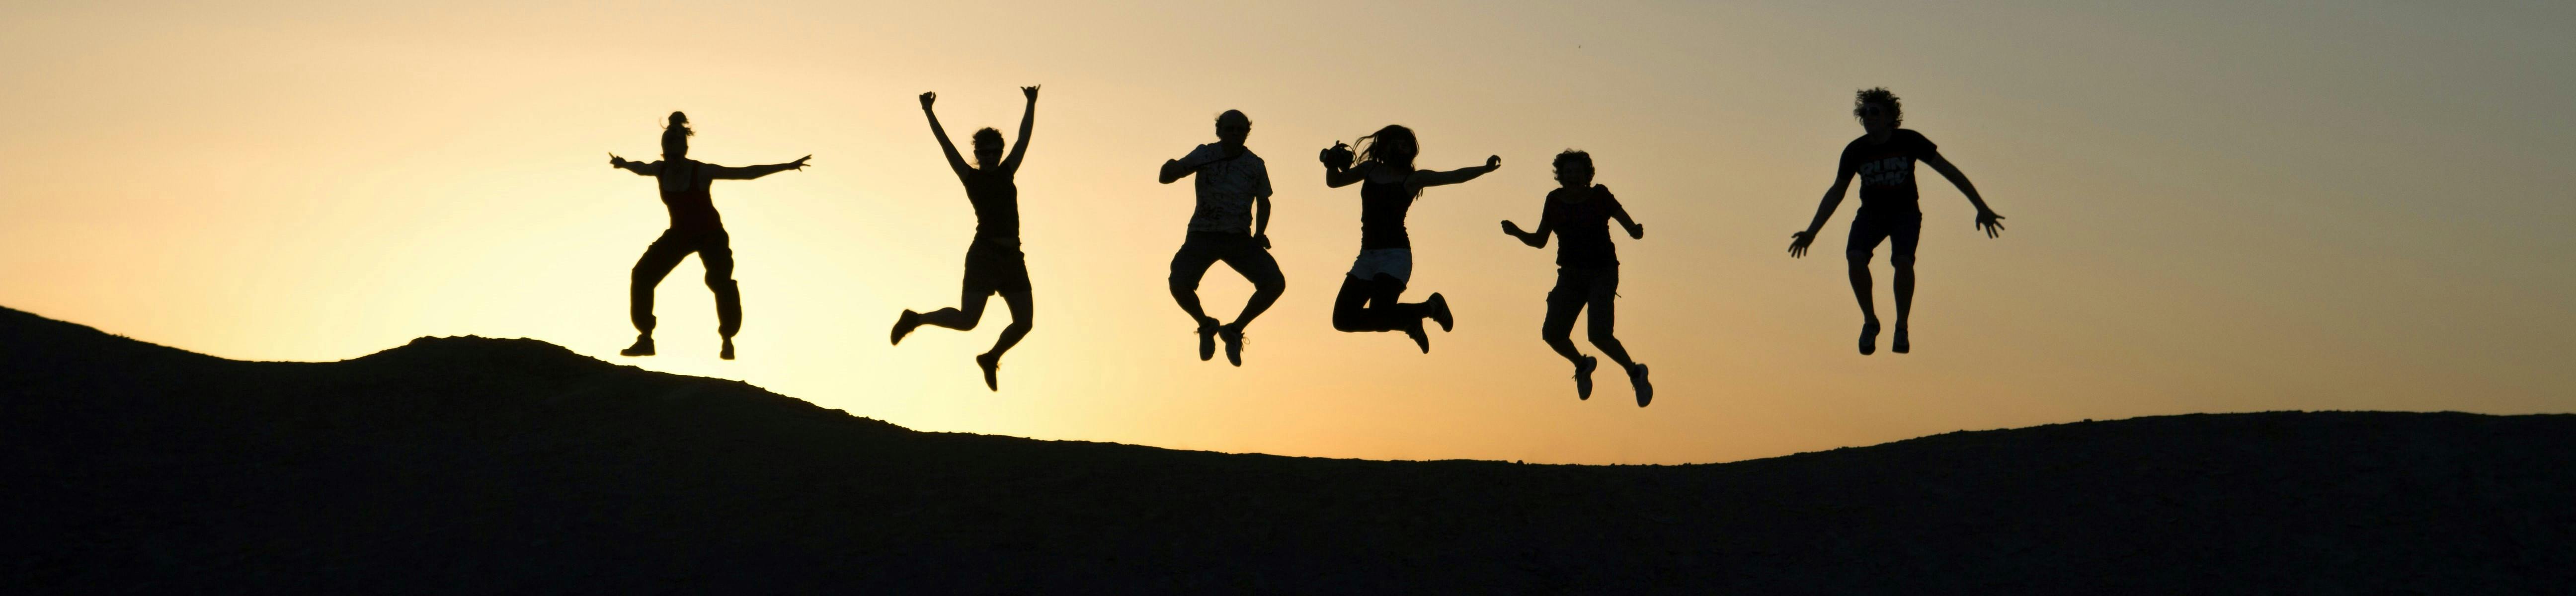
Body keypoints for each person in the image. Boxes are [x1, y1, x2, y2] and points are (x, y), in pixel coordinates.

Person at [1787, 87, 2006, 355]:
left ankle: (1901, 326)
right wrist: (1812, 232)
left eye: (1875, 112)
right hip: (1871, 215)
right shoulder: (1855, 151)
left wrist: (1981, 206)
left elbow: (1949, 171)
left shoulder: (1910, 141)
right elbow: (1837, 192)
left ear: (1890, 117)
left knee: (1902, 262)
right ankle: (1870, 321)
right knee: (1855, 257)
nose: (1869, 117)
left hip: (1905, 213)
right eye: (1864, 113)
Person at [606, 111, 810, 360]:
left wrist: (786, 166)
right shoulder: (659, 170)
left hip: (711, 235)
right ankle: (646, 338)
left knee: (719, 282)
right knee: (642, 275)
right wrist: (623, 163)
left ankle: (727, 339)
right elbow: (639, 168)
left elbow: (746, 173)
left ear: (684, 146)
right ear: (663, 148)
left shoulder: (700, 171)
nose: (671, 146)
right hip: (680, 234)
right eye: (667, 142)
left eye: (676, 141)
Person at [890, 86, 1041, 390]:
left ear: (1000, 152)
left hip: (1012, 258)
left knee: (1024, 323)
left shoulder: (1007, 171)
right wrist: (929, 112)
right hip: (984, 255)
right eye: (982, 152)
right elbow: (945, 146)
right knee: (968, 320)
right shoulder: (970, 177)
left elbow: (1024, 140)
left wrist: (1031, 104)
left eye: (993, 152)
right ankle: (916, 319)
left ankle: (990, 358)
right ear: (976, 154)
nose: (987, 157)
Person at [1317, 125, 1498, 353]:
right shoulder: (1370, 169)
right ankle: (1417, 316)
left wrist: (1485, 168)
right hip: (1367, 257)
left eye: (1407, 144)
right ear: (1386, 145)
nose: (1403, 147)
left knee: (1380, 316)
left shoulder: (1413, 179)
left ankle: (1428, 310)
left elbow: (1453, 177)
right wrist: (1330, 164)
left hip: (1395, 256)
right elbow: (1334, 182)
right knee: (1343, 320)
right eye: (1398, 142)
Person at [1501, 150, 1652, 406]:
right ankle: (1582, 365)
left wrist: (1635, 231)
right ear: (1561, 176)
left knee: (1599, 334)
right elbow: (1540, 241)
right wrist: (1516, 232)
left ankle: (1635, 373)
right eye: (1567, 172)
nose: (1572, 176)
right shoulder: (1555, 200)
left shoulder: (1600, 196)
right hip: (1570, 275)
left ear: (1586, 175)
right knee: (1552, 334)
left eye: (1577, 172)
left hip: (1602, 272)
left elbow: (1626, 222)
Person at [1157, 110, 1284, 366]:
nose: (1235, 134)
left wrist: (1260, 234)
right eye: (1230, 129)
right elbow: (1168, 176)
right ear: (1219, 131)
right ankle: (1206, 326)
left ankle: (1233, 331)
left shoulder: (1255, 164)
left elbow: (1264, 201)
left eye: (1241, 130)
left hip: (1238, 238)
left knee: (1274, 284)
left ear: (1247, 133)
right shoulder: (1205, 154)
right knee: (1179, 284)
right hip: (1202, 235)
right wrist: (1170, 168)